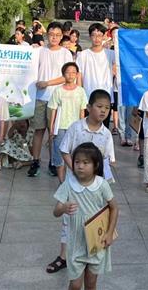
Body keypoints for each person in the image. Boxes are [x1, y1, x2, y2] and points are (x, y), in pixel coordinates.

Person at [49, 89, 116, 275]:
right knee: (69, 220)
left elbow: (108, 160)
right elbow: (64, 151)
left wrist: (102, 181)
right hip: (74, 184)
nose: (103, 111)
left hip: (95, 186)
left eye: (107, 108)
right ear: (88, 108)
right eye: (99, 107)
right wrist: (75, 171)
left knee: (93, 219)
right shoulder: (76, 128)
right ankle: (64, 256)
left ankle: (90, 252)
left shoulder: (106, 134)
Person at [53, 142, 119, 290]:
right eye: (77, 162)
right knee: (75, 285)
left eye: (85, 162)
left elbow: (114, 208)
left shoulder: (101, 184)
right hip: (76, 243)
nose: (80, 166)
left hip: (96, 241)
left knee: (91, 283)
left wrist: (109, 233)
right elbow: (56, 211)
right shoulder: (69, 184)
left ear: (95, 165)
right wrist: (63, 207)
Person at [30, 21, 71, 178]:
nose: (54, 38)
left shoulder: (65, 54)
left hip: (57, 98)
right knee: (38, 131)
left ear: (61, 36)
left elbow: (66, 76)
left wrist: (47, 83)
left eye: (57, 35)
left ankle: (54, 162)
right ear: (47, 35)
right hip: (39, 97)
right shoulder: (39, 51)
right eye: (51, 35)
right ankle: (35, 161)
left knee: (54, 132)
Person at [49, 62, 88, 182]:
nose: (70, 75)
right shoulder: (58, 90)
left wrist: (82, 127)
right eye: (67, 72)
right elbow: (53, 110)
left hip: (75, 127)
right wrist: (51, 127)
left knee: (74, 156)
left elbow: (83, 111)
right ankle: (62, 182)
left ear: (77, 75)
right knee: (59, 155)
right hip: (60, 127)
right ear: (63, 74)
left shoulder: (80, 91)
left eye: (73, 72)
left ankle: (73, 181)